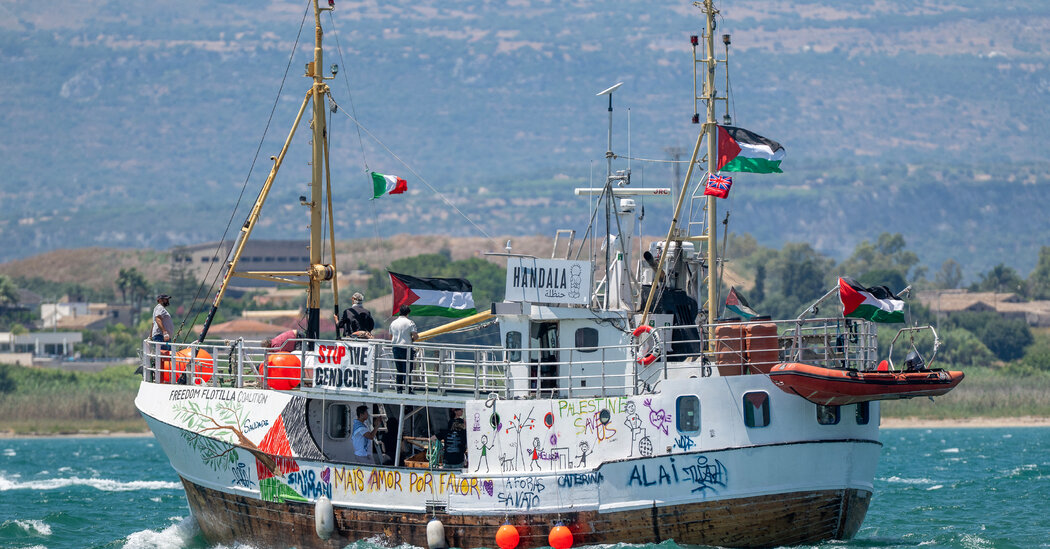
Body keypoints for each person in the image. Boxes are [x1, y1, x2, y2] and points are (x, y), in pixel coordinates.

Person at [389, 305, 418, 392]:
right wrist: (411, 339)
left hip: (396, 347)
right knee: (407, 370)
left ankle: (399, 389)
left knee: (399, 369)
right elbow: (415, 336)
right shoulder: (410, 322)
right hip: (406, 348)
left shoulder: (393, 323)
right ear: (408, 313)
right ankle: (408, 389)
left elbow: (391, 336)